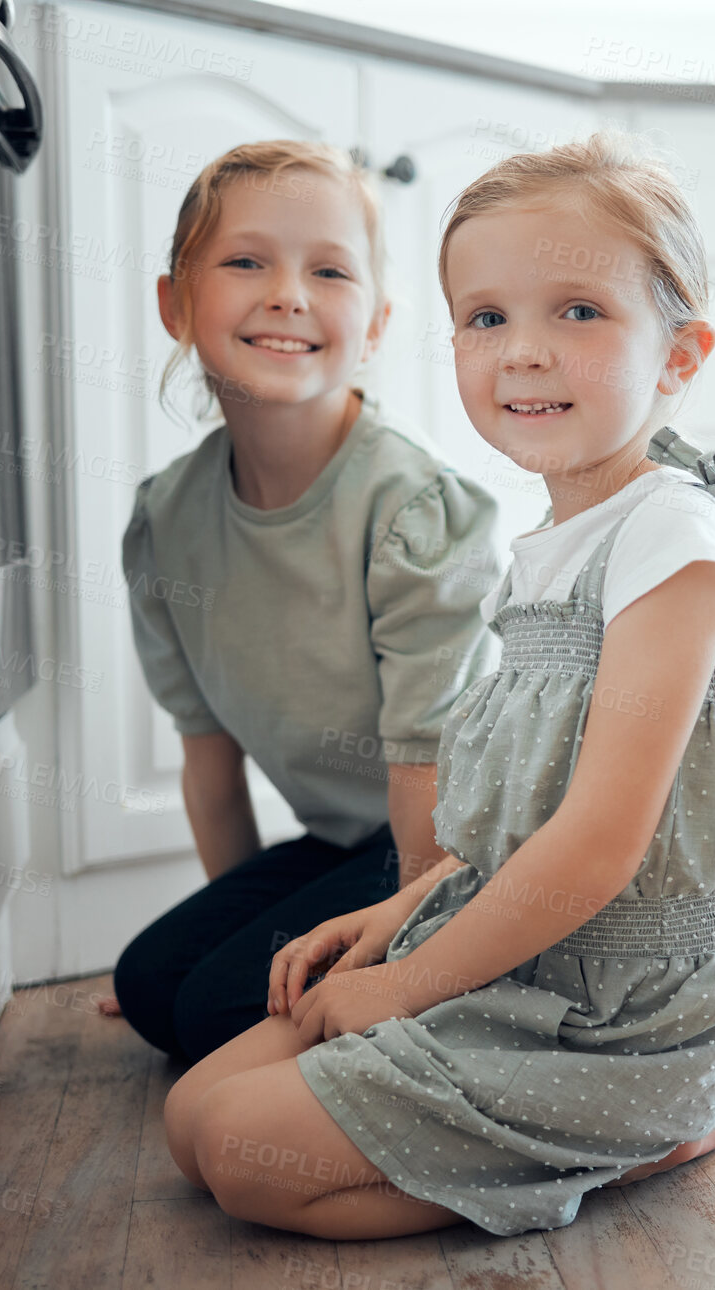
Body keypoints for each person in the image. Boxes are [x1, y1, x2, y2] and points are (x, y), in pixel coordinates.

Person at [159, 131, 715, 1240]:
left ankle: (653, 1130)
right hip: (522, 940)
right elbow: (524, 821)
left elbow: (600, 846)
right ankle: (544, 1122)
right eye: (487, 317)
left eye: (578, 312)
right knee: (190, 1117)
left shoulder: (676, 541)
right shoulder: (557, 539)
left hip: (625, 1006)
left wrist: (403, 990)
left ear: (680, 353)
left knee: (244, 1158)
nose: (522, 353)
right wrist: (391, 915)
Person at [98, 140, 503, 1066]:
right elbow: (209, 760)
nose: (287, 293)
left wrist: (397, 966)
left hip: (460, 848)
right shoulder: (167, 524)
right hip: (347, 842)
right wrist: (239, 938)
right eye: (246, 261)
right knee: (156, 985)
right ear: (175, 303)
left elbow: (425, 779)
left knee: (211, 1017)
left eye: (328, 270)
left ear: (375, 324)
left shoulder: (409, 510)